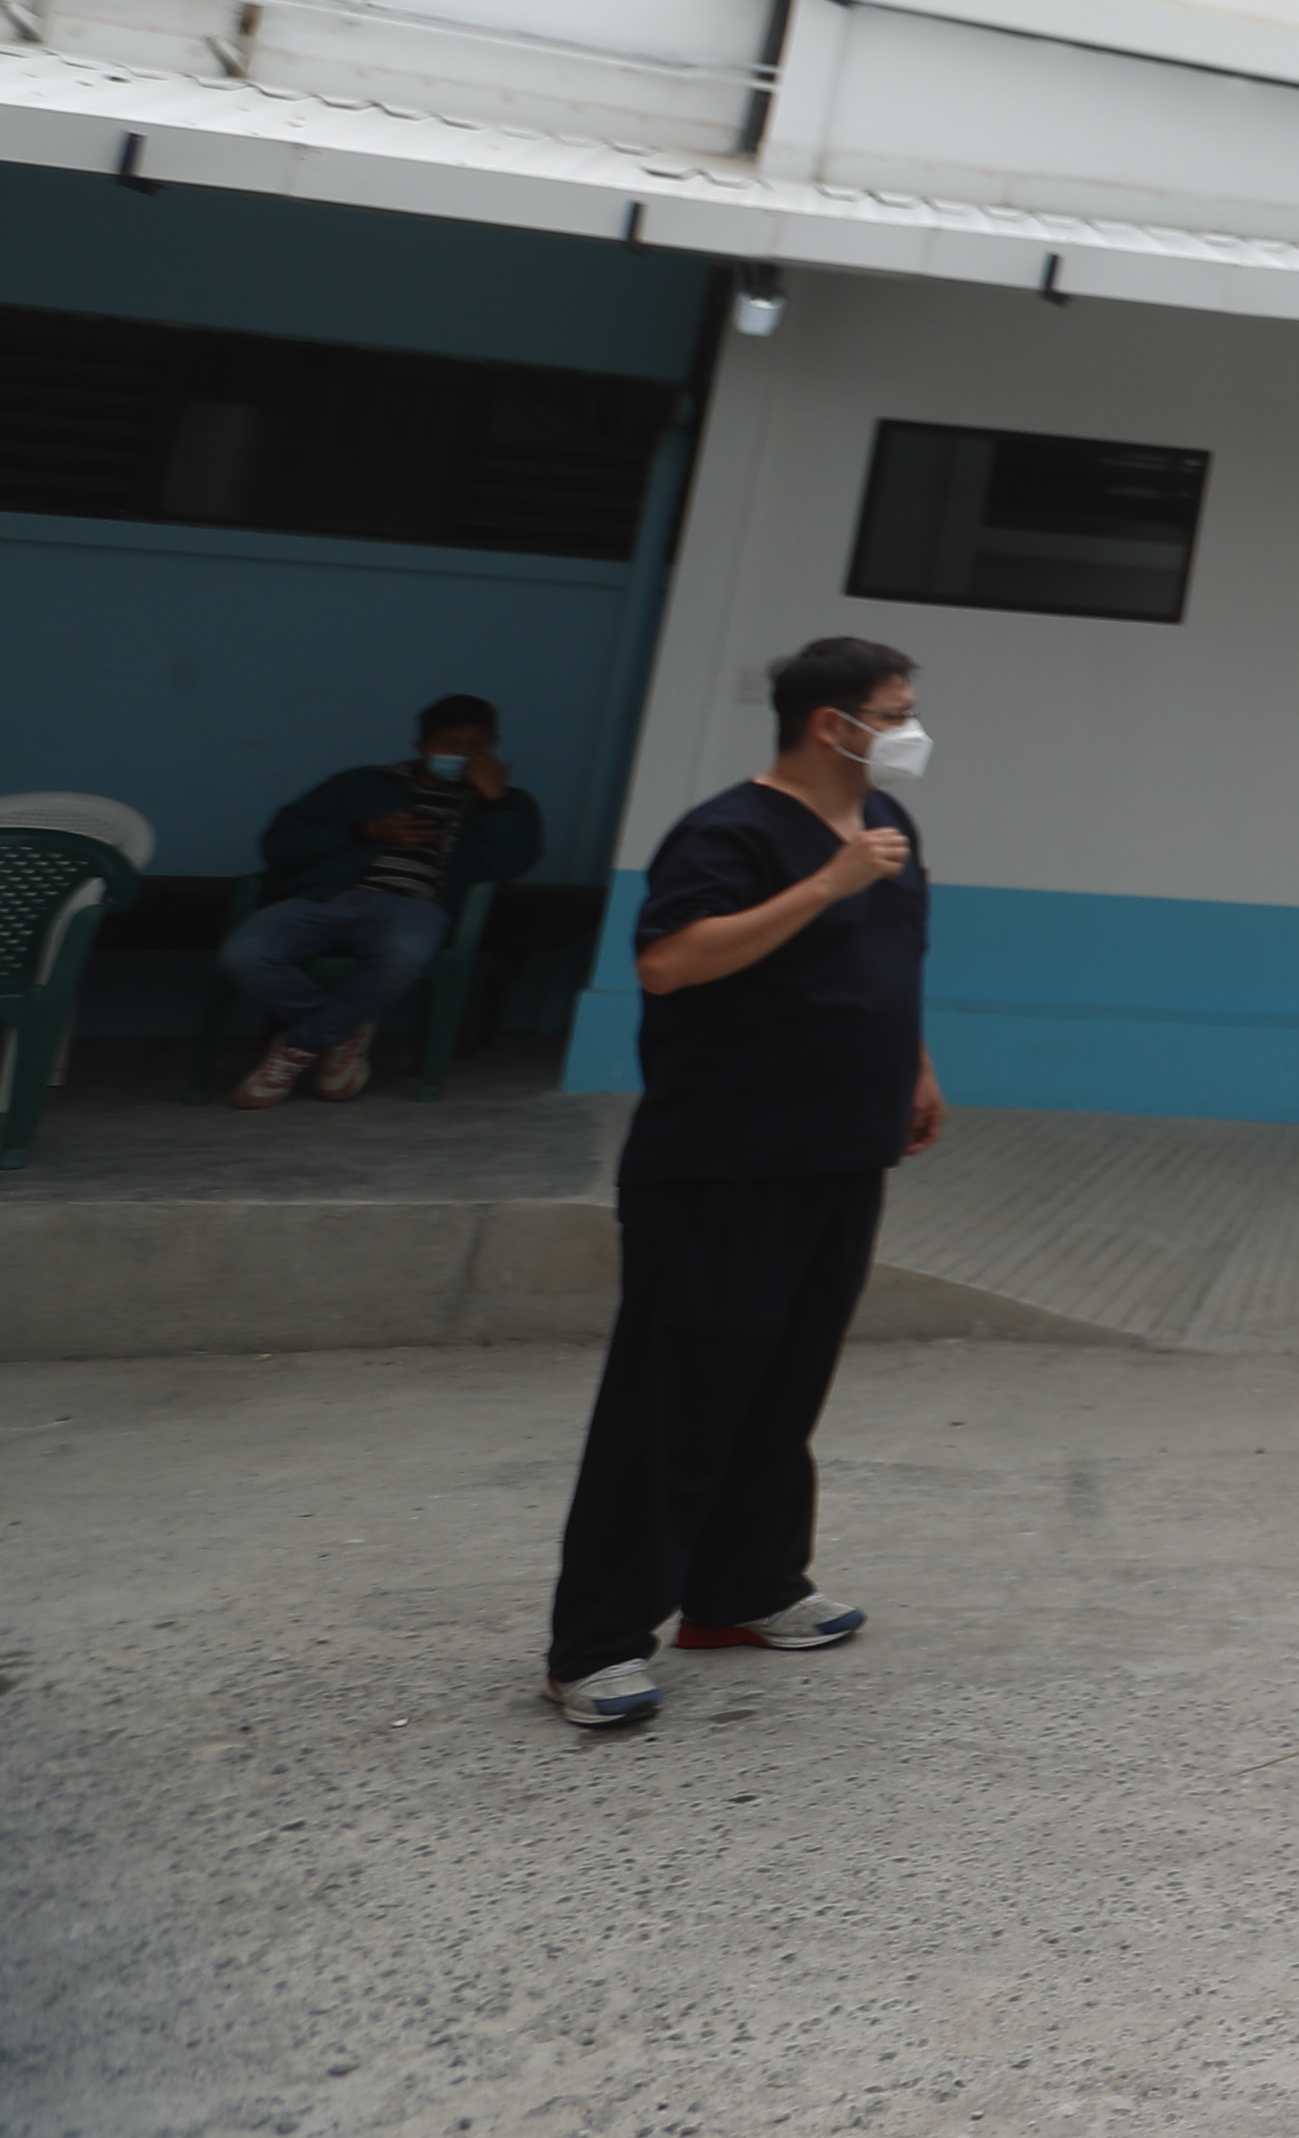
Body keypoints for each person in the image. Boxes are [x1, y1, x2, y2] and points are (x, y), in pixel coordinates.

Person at [542, 636, 946, 1729]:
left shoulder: (888, 828)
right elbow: (670, 962)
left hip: (842, 1152)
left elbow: (890, 959)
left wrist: (912, 1068)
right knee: (677, 1398)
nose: (910, 729)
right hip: (726, 1164)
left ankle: (742, 1590)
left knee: (783, 1382)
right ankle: (595, 1646)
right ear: (833, 723)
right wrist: (827, 881)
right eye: (894, 710)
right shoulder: (731, 830)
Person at [226, 696, 548, 1108]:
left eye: (476, 745)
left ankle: (297, 1048)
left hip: (413, 906)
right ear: (422, 747)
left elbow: (508, 864)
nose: (463, 755)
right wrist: (365, 831)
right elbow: (281, 844)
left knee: (405, 955)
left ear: (493, 744)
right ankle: (343, 1030)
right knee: (244, 954)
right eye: (449, 744)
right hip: (326, 897)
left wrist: (495, 804)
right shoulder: (362, 784)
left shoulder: (510, 803)